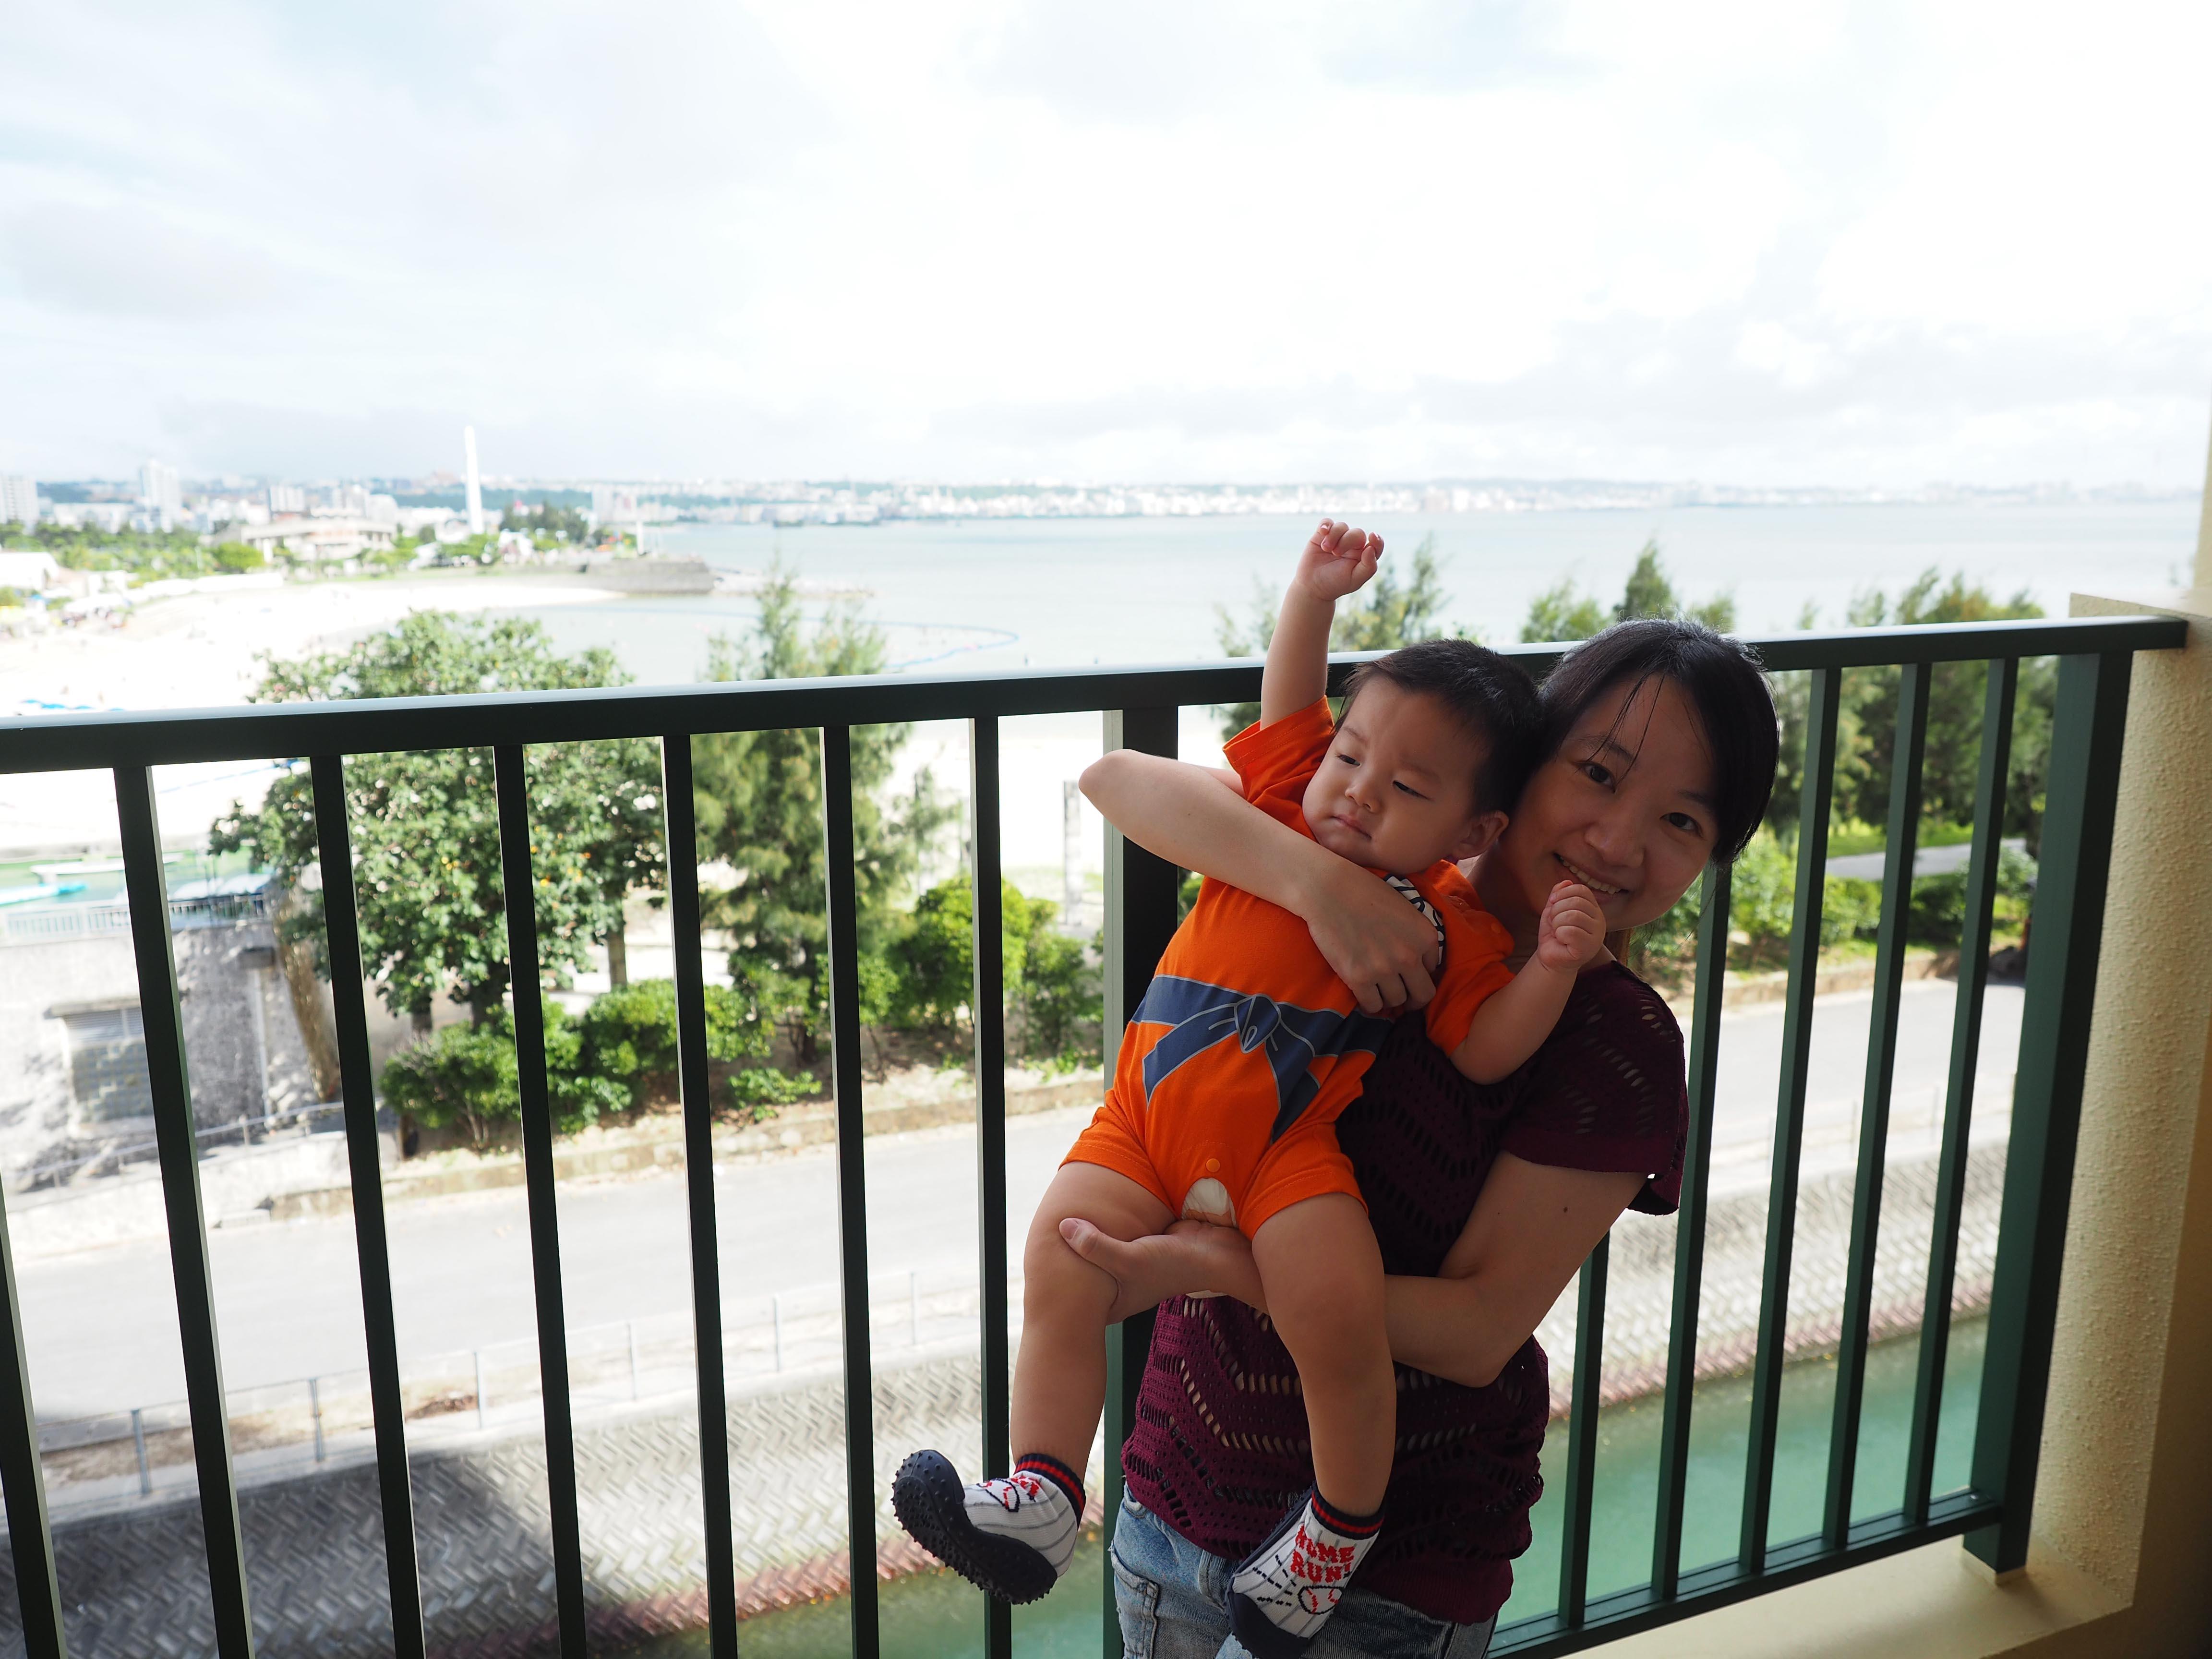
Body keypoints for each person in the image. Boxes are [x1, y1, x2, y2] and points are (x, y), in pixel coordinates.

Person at [892, 522, 1606, 1658]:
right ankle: (1042, 1494)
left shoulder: (1448, 919)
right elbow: (1280, 709)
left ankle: (1335, 1530)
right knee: (1060, 1258)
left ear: (1474, 829)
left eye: (1405, 786)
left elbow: (1484, 1050)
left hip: (1287, 1151)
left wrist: (1555, 970)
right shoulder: (1277, 807)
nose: (1357, 792)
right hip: (1141, 1125)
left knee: (1334, 1321)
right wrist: (1312, 596)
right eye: (1350, 758)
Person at [1070, 614, 1779, 1659]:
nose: (1617, 842)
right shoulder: (1352, 841)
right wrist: (1322, 888)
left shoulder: (1614, 1042)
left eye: (1682, 820)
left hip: (1387, 1574)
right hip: (1178, 1495)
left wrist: (1224, 1269)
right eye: (1597, 773)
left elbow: (1480, 1326)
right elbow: (1121, 782)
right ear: (1522, 763)